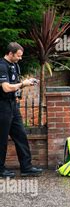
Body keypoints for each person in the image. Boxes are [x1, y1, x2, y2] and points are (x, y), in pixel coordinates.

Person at [0, 42, 43, 178]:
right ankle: (0, 170)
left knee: (21, 136)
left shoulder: (15, 65)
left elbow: (15, 86)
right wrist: (23, 84)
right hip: (2, 106)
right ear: (10, 53)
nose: (20, 58)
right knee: (2, 139)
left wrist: (26, 83)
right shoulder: (2, 66)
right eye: (18, 55)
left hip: (13, 105)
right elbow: (6, 88)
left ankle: (26, 167)